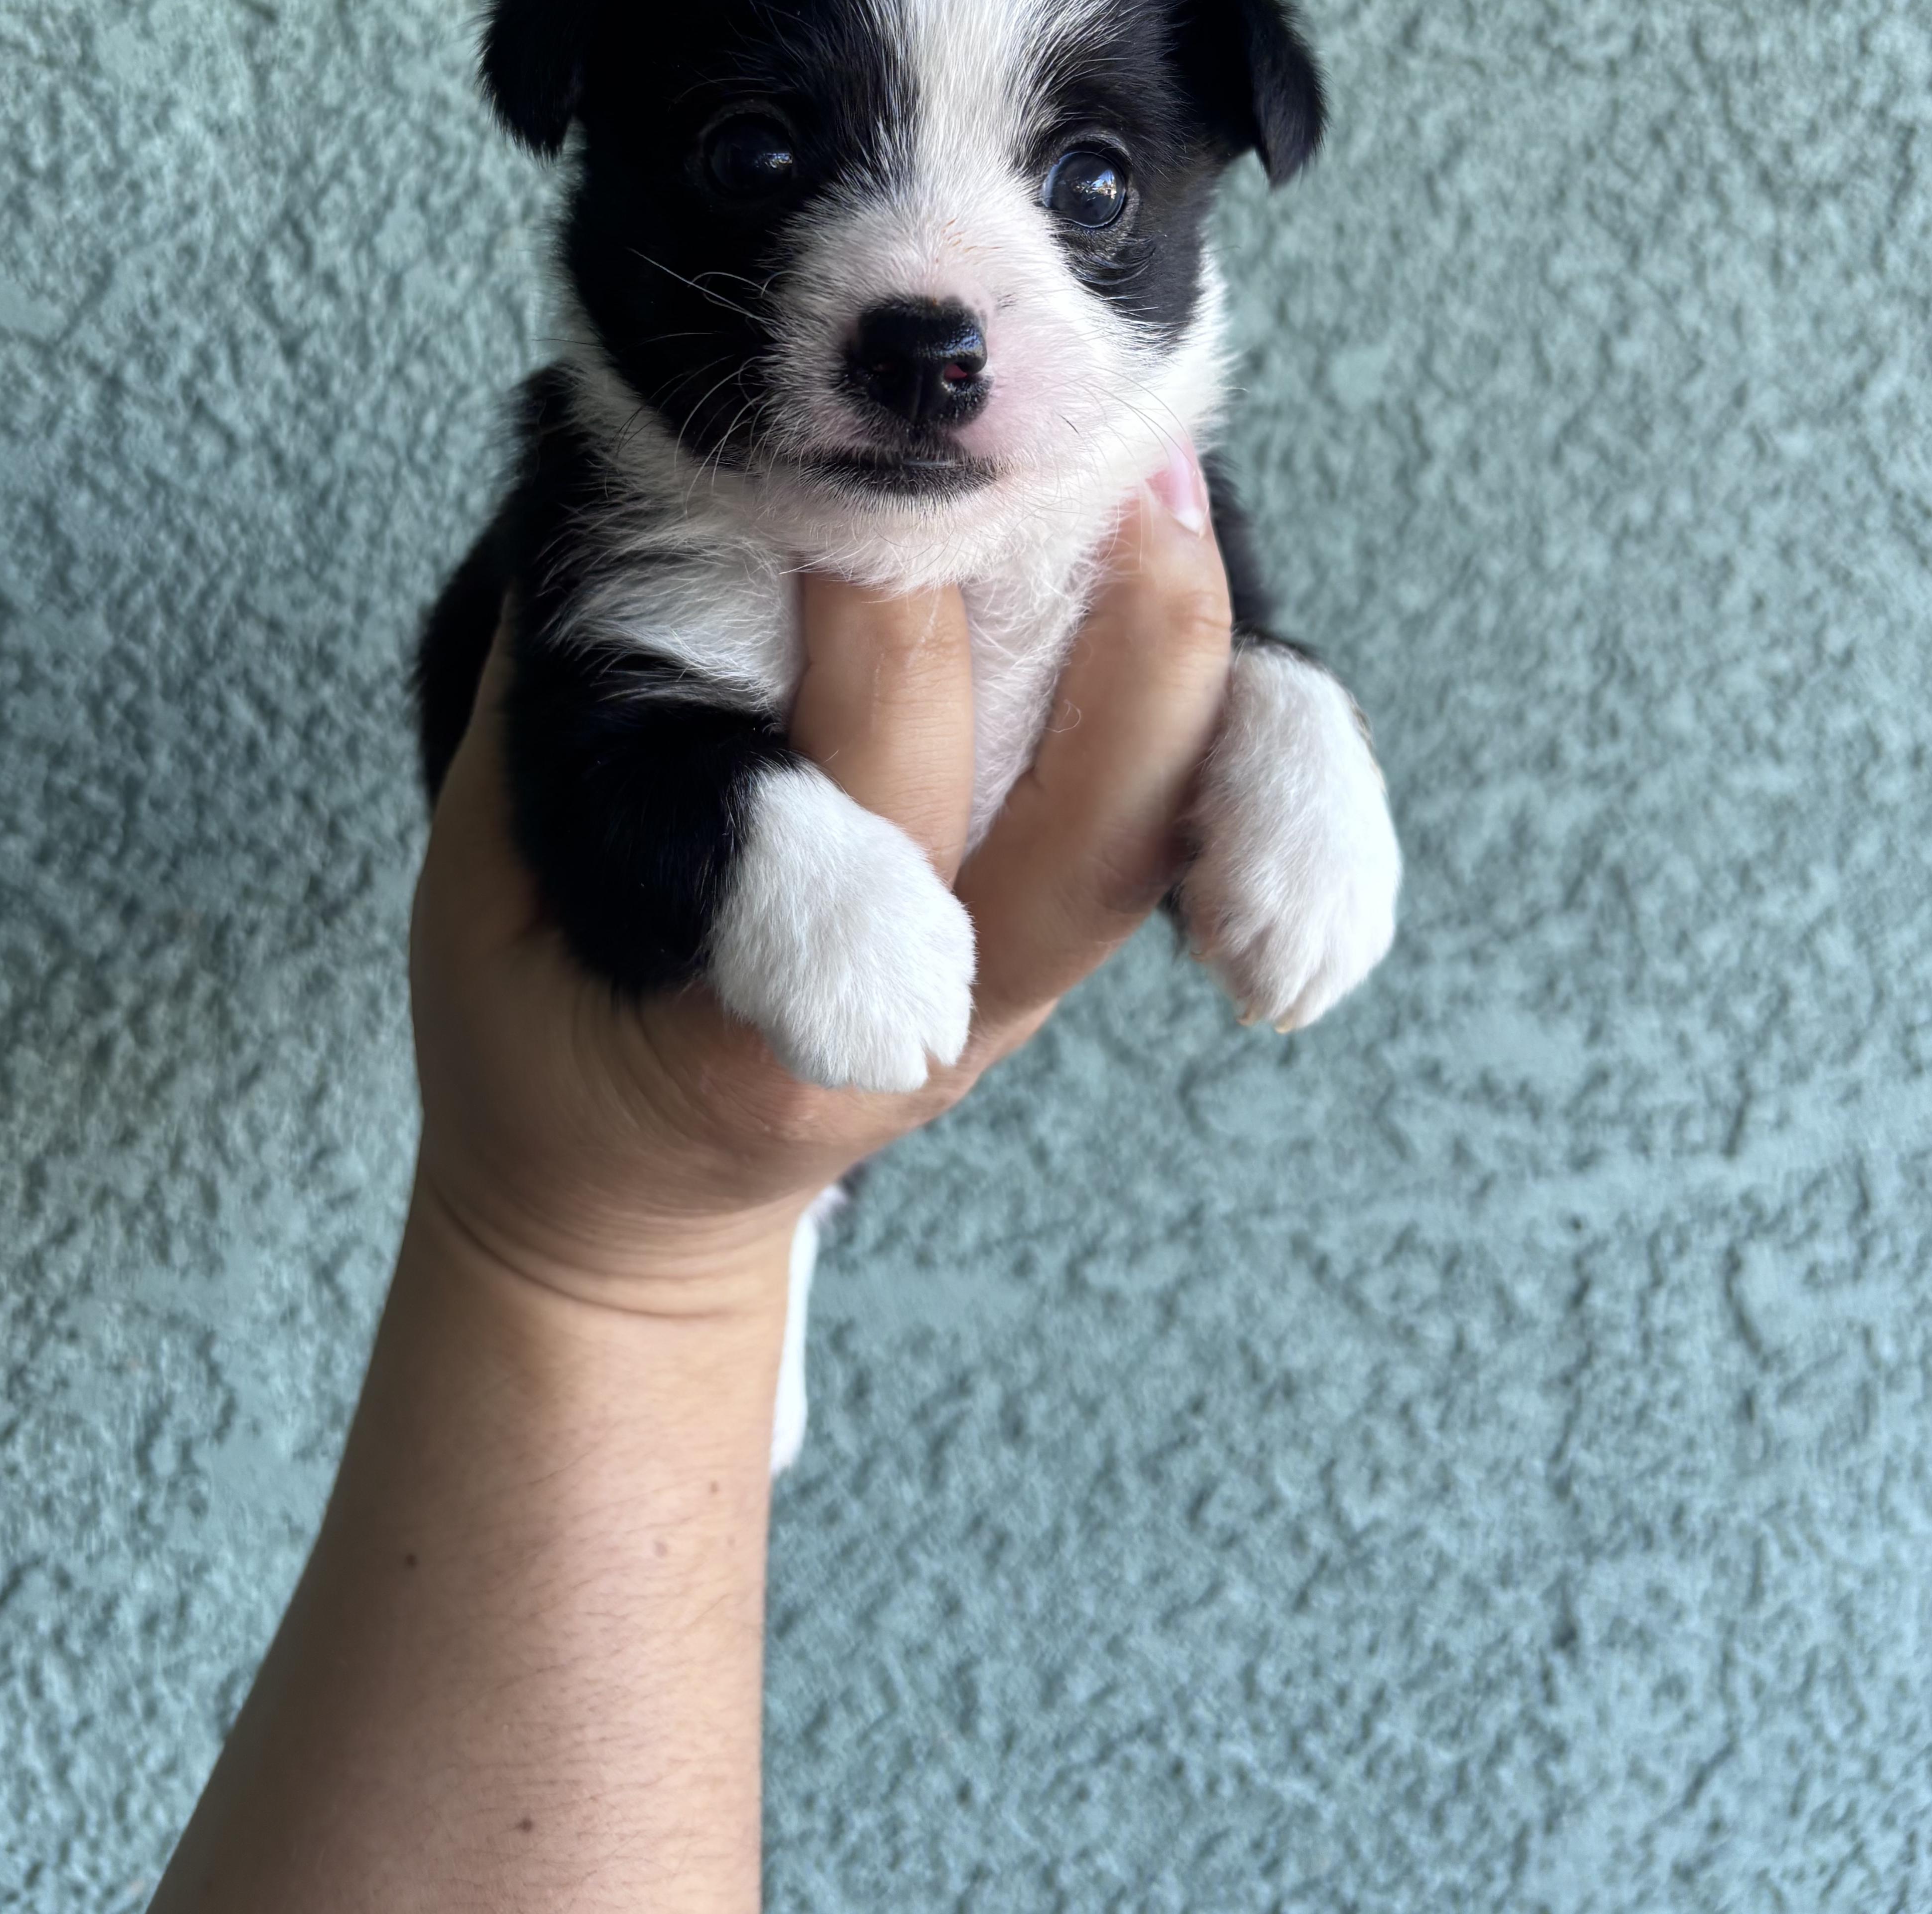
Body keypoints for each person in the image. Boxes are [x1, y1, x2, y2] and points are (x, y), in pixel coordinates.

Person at [150, 453, 1231, 1911]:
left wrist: (1283, 734)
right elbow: (620, 773)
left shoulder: (1125, 490)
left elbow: (1230, 682)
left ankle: (783, 1226)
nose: (934, 329)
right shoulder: (635, 523)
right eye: (767, 196)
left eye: (1091, 200)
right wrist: (620, 1247)